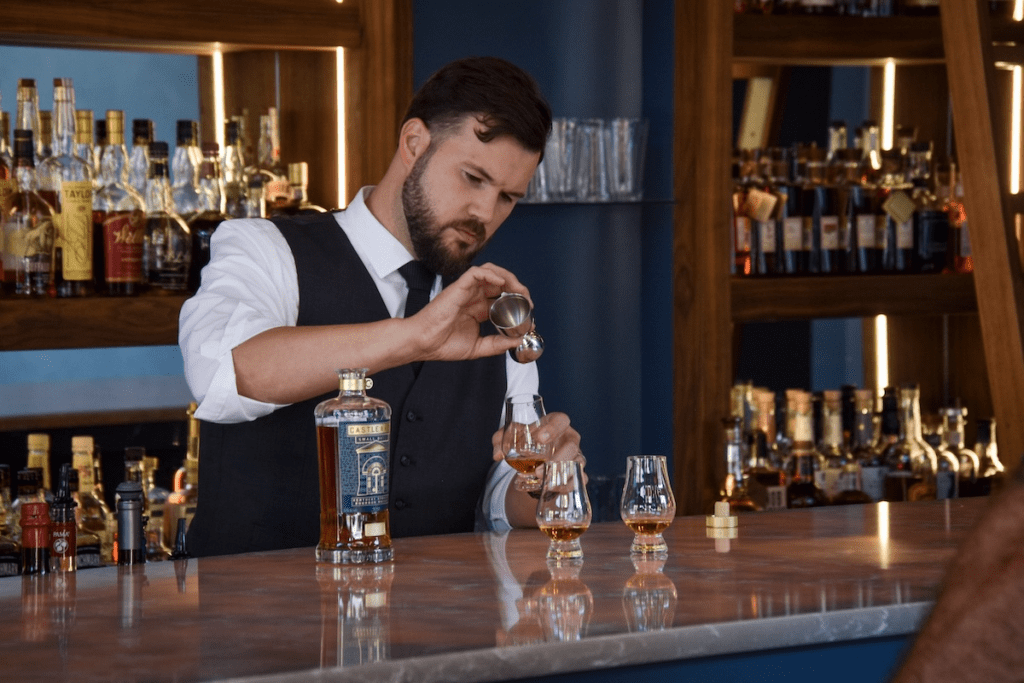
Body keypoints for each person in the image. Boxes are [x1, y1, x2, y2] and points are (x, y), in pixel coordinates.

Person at [178, 56, 583, 557]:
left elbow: (501, 499)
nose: (485, 212)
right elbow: (221, 374)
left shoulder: (494, 308)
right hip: (256, 622)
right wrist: (414, 336)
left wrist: (541, 486)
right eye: (473, 178)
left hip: (431, 625)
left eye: (507, 197)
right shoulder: (265, 247)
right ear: (414, 143)